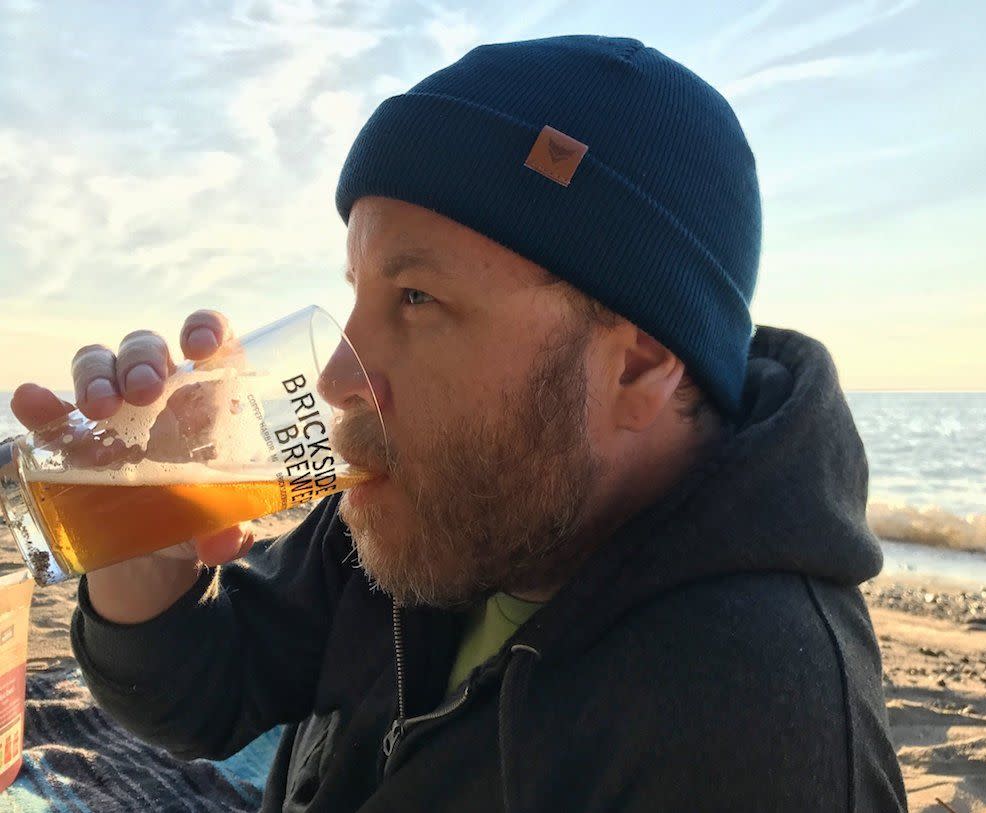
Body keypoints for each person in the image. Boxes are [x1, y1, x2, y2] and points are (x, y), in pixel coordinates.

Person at [11, 35, 907, 812]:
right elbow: (208, 696)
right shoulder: (445, 502)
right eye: (358, 293)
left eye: (416, 297)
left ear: (635, 363)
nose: (336, 376)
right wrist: (146, 578)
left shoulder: (755, 735)